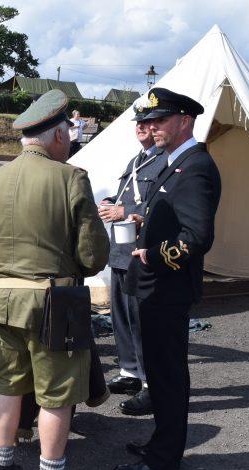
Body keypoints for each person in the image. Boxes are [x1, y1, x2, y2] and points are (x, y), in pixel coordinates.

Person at [0, 89, 109, 470]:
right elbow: (93, 255)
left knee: (6, 387)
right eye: (67, 131)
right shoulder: (71, 178)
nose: (69, 138)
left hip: (1, 302)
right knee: (57, 394)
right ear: (57, 136)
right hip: (54, 305)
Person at [115, 87, 221, 470]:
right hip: (154, 288)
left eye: (160, 120)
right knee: (159, 374)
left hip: (167, 287)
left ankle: (163, 462)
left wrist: (155, 255)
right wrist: (144, 223)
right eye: (150, 121)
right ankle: (161, 442)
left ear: (184, 121)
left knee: (168, 375)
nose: (152, 127)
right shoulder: (172, 162)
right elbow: (168, 213)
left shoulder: (194, 166)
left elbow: (197, 237)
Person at [98, 97, 168, 416]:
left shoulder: (167, 161)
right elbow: (127, 195)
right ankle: (130, 372)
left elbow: (162, 209)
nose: (141, 127)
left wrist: (124, 210)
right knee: (120, 317)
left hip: (142, 252)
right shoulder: (136, 160)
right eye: (138, 123)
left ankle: (152, 384)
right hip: (121, 250)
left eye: (148, 122)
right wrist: (111, 202)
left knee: (143, 321)